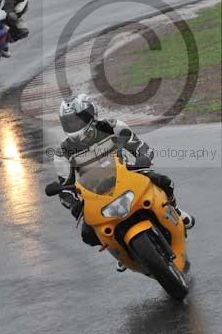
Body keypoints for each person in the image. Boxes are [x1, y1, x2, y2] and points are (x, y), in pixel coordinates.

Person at [54, 93, 195, 272]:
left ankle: (174, 210)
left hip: (127, 174)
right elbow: (64, 188)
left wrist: (142, 159)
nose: (73, 125)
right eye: (69, 122)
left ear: (90, 115)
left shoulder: (113, 126)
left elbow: (142, 147)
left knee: (163, 181)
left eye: (77, 120)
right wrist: (75, 206)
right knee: (88, 234)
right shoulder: (62, 152)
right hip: (95, 191)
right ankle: (118, 249)